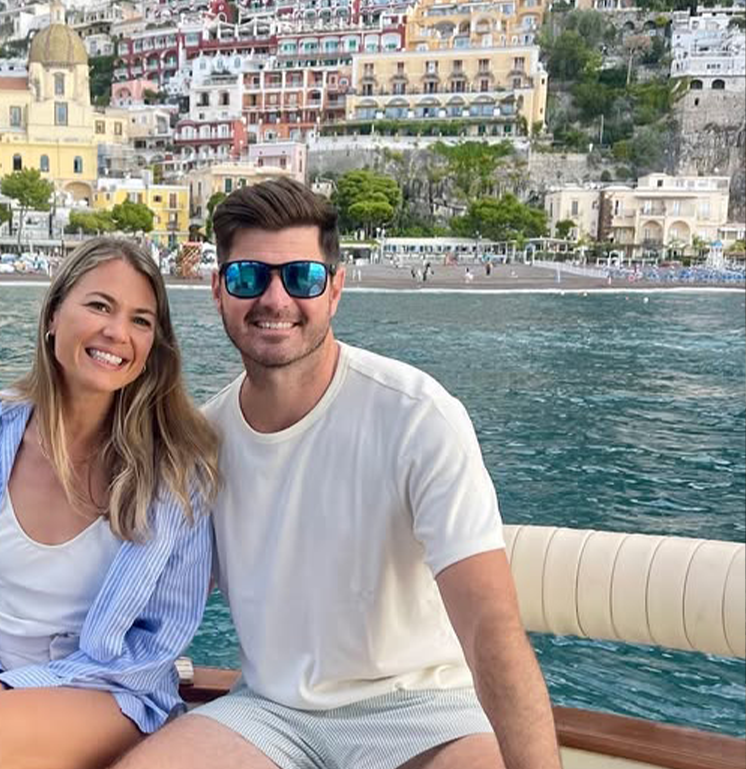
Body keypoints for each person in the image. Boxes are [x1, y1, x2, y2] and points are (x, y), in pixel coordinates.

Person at [115, 179, 560, 769]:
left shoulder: (416, 416)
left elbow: (489, 629)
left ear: (335, 290)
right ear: (219, 290)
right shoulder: (202, 440)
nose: (275, 299)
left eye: (302, 277)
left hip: (422, 710)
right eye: (250, 277)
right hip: (269, 713)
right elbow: (150, 591)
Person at [0, 236, 221, 769]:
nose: (118, 333)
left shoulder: (177, 472)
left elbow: (156, 645)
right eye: (99, 306)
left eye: (141, 320)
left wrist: (13, 690)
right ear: (52, 316)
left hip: (110, 692)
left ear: (154, 345)